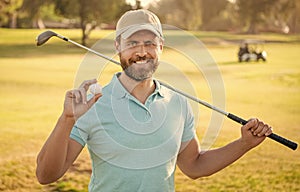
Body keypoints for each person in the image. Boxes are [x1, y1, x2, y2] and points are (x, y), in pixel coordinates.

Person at [36, 9, 273, 192]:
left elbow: (194, 166)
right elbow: (46, 175)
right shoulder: (91, 104)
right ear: (118, 46)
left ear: (161, 46)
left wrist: (244, 144)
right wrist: (66, 119)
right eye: (132, 43)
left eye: (149, 43)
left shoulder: (178, 103)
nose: (142, 51)